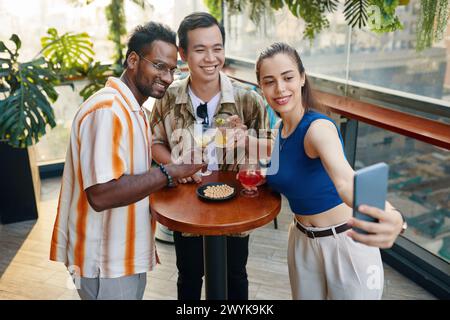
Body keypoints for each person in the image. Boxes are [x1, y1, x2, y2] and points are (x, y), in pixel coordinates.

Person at [49, 22, 204, 300]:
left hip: (121, 255)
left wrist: (170, 176)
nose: (168, 78)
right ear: (133, 60)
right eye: (159, 66)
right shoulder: (108, 111)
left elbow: (129, 176)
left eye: (172, 69)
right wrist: (170, 172)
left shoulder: (133, 109)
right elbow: (102, 194)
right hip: (104, 262)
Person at [255, 42, 406, 299]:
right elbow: (281, 158)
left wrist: (392, 215)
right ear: (261, 87)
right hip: (302, 241)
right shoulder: (280, 129)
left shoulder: (317, 129)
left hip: (345, 243)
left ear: (302, 78)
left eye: (288, 77)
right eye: (269, 81)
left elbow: (346, 180)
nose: (280, 88)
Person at [150, 12, 270, 300]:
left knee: (235, 276)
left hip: (235, 207)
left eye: (217, 48)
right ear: (183, 54)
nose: (211, 58)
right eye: (200, 49)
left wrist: (248, 141)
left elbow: (269, 152)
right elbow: (154, 142)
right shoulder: (168, 97)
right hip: (185, 204)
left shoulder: (248, 100)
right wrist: (177, 165)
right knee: (189, 277)